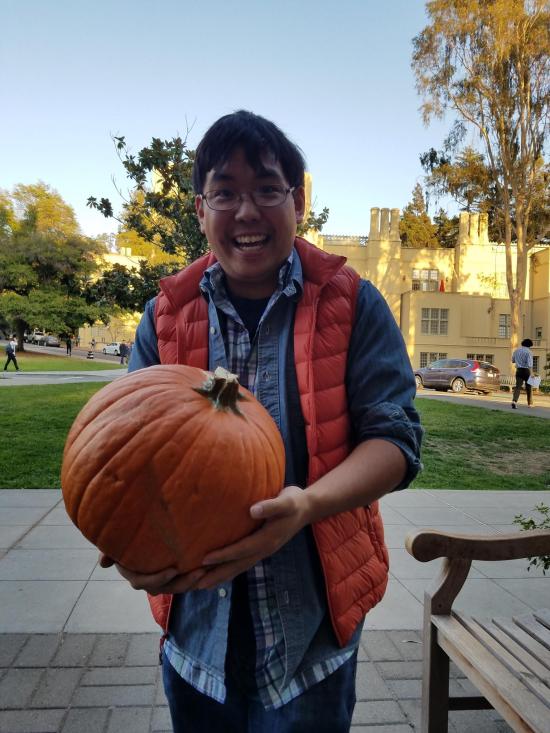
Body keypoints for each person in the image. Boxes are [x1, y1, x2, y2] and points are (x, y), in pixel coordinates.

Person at [102, 110, 422, 732]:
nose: (246, 211)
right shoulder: (164, 315)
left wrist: (305, 506)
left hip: (309, 645)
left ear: (297, 202)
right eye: (225, 192)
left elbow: (395, 440)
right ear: (200, 210)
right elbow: (124, 455)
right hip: (198, 646)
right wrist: (127, 539)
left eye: (267, 190)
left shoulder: (352, 304)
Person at [511, 338, 534, 408]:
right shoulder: (529, 352)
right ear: (529, 345)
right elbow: (530, 364)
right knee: (529, 387)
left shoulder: (516, 351)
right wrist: (532, 373)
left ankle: (514, 401)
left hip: (519, 370)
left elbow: (513, 360)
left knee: (518, 387)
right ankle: (530, 404)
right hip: (526, 371)